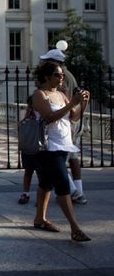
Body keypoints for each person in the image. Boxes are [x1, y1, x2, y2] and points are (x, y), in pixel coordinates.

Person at [29, 61, 90, 242]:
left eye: (62, 75)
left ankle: (40, 219)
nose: (61, 77)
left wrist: (83, 103)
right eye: (58, 74)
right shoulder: (40, 95)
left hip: (64, 144)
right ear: (47, 77)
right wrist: (72, 103)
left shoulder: (62, 95)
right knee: (63, 184)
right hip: (48, 147)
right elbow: (49, 118)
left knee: (46, 183)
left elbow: (72, 118)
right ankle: (75, 228)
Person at [39, 48, 87, 204]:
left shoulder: (61, 78)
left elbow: (65, 111)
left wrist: (80, 103)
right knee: (50, 175)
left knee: (62, 163)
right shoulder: (66, 76)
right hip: (62, 130)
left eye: (47, 61)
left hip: (62, 130)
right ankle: (76, 191)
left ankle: (74, 192)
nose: (44, 63)